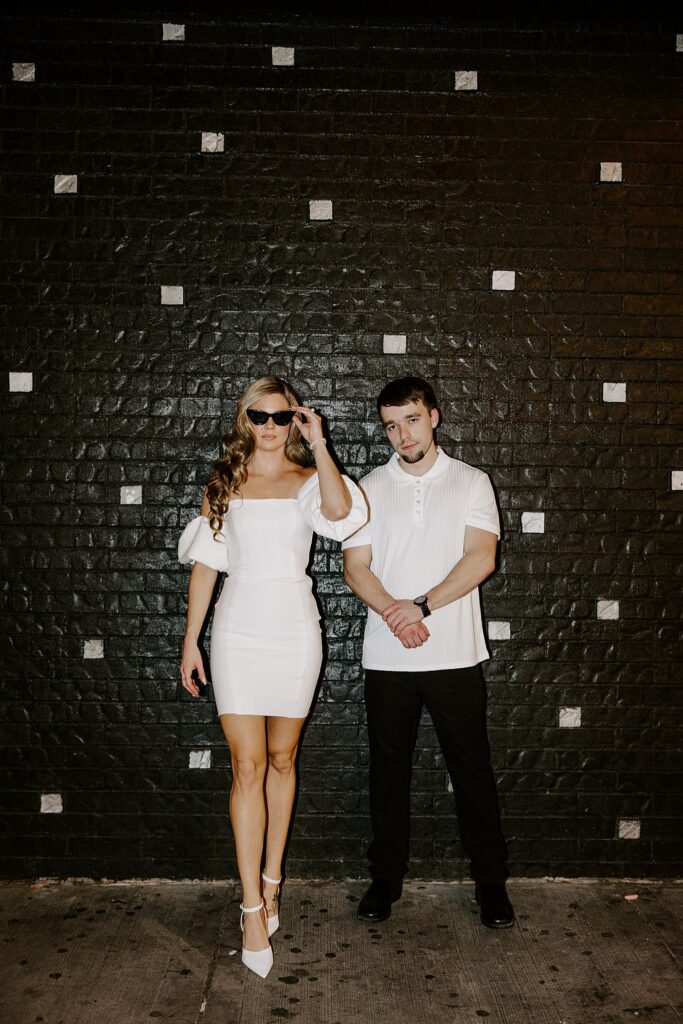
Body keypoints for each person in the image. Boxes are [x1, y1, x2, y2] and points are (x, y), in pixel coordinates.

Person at [178, 376, 367, 978]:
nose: (268, 425)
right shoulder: (224, 483)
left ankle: (274, 877)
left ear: (294, 421)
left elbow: (340, 517)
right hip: (237, 632)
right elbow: (207, 566)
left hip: (294, 630)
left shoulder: (310, 480)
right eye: (258, 415)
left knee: (283, 761)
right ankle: (252, 908)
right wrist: (191, 642)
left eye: (280, 416)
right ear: (245, 418)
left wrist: (320, 447)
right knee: (247, 766)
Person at [342, 376, 514, 929]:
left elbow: (480, 558)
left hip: (455, 655)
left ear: (434, 417)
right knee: (388, 773)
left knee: (472, 771)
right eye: (391, 425)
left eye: (411, 420)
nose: (402, 434)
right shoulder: (366, 488)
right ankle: (384, 881)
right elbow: (355, 567)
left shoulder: (471, 482)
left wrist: (420, 606)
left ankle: (491, 886)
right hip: (388, 659)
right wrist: (397, 611)